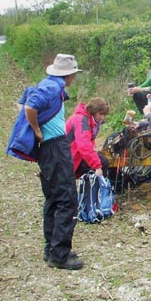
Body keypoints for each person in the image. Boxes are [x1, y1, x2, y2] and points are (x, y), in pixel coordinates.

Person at [25, 54, 84, 270]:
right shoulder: (51, 87)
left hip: (49, 149)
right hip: (56, 148)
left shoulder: (49, 84)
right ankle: (60, 255)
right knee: (67, 200)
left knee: (53, 199)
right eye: (73, 74)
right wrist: (36, 129)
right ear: (68, 75)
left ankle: (51, 249)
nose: (74, 78)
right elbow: (30, 107)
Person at [66, 97, 110, 178]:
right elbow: (84, 146)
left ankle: (97, 187)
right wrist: (97, 166)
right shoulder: (81, 120)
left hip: (75, 153)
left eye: (104, 115)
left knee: (102, 158)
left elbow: (90, 140)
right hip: (69, 157)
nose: (102, 117)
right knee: (102, 162)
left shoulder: (90, 119)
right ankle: (99, 189)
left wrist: (94, 150)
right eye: (100, 114)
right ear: (93, 111)